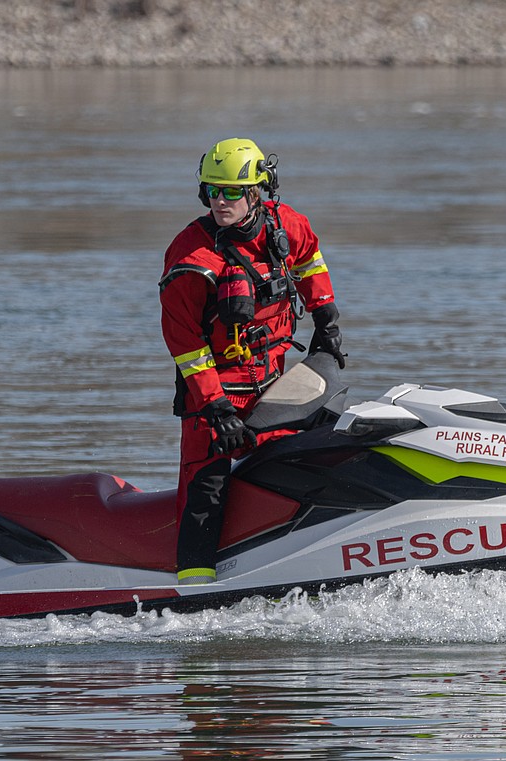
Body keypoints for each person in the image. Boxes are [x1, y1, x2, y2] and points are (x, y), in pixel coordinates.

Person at [159, 137, 345, 585]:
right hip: (216, 401)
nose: (220, 201)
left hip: (276, 386)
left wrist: (326, 320)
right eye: (212, 191)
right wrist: (216, 407)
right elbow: (185, 343)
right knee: (207, 492)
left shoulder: (286, 225)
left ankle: (306, 557)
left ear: (258, 191)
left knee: (315, 456)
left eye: (231, 192)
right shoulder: (190, 259)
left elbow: (309, 262)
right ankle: (194, 588)